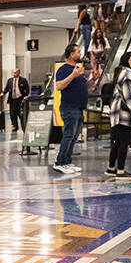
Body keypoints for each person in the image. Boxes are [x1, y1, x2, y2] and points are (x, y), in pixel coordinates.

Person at [52, 43, 87, 175]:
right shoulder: (64, 69)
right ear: (71, 55)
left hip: (79, 107)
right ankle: (60, 162)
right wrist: (73, 75)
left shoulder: (78, 69)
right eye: (78, 52)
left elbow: (81, 86)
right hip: (69, 107)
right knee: (68, 135)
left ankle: (67, 161)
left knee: (74, 136)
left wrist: (91, 79)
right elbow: (59, 86)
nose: (80, 54)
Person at [106, 51, 131, 179]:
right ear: (126, 61)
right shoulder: (127, 74)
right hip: (123, 113)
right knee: (124, 142)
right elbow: (129, 97)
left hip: (119, 113)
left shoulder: (125, 73)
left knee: (119, 141)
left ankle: (111, 168)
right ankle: (120, 171)